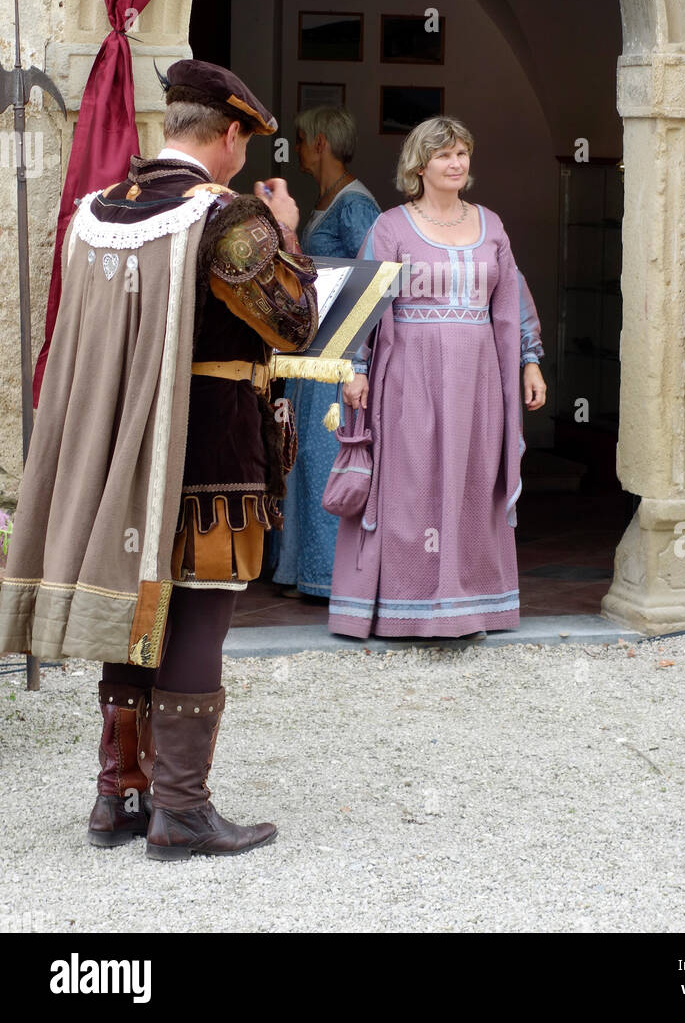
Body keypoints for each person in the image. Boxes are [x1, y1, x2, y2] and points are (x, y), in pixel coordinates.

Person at [0, 60, 318, 860]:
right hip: (210, 446)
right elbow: (294, 324)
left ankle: (119, 796)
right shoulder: (226, 216)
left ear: (170, 123)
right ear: (233, 134)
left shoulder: (96, 211)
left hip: (118, 446)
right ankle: (182, 810)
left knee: (137, 605)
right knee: (200, 611)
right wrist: (285, 230)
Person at [328, 116, 546, 641]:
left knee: (473, 480)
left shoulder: (491, 226)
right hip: (409, 378)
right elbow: (361, 305)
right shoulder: (391, 227)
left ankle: (470, 603)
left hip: (479, 382)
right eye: (444, 155)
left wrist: (530, 360)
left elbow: (512, 298)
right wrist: (353, 368)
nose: (456, 164)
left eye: (463, 154)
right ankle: (406, 606)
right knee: (410, 484)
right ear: (419, 164)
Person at [271, 106, 379, 599]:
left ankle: (330, 579)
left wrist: (356, 358)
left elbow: (374, 281)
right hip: (315, 357)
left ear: (319, 143)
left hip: (337, 358)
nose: (296, 151)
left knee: (323, 459)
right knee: (305, 458)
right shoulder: (327, 201)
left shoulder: (355, 206)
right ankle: (303, 572)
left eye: (300, 141)